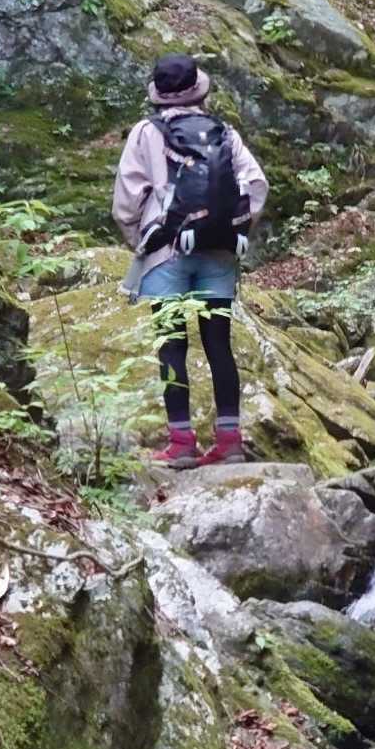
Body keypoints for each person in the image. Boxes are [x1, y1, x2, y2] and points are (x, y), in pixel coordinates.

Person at [112, 53, 269, 468]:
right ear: (199, 90)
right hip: (219, 252)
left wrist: (143, 242)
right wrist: (230, 229)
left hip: (166, 253)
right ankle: (230, 440)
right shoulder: (224, 132)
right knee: (219, 344)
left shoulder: (146, 133)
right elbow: (256, 185)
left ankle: (181, 443)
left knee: (171, 345)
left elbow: (126, 202)